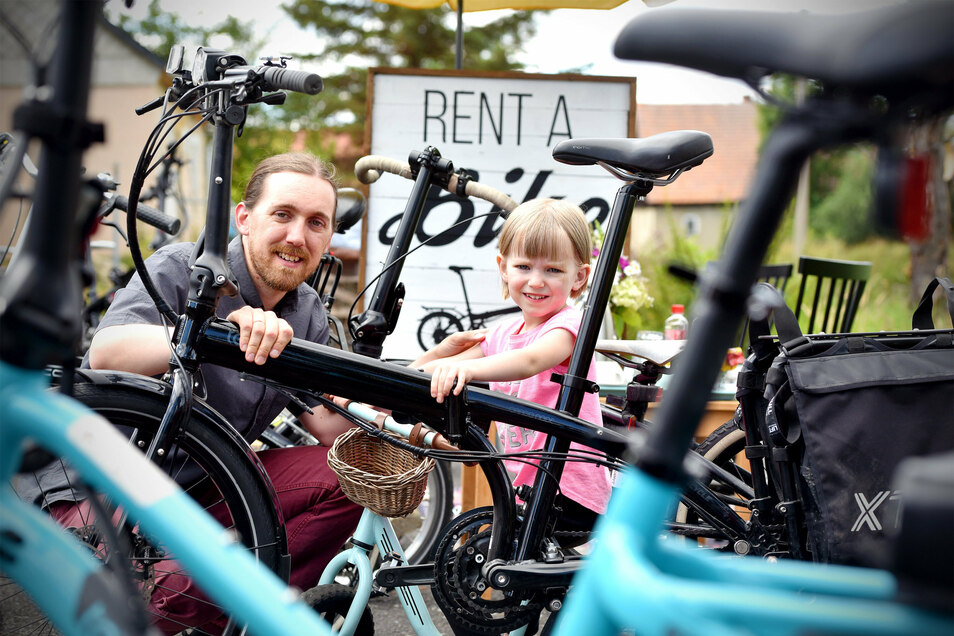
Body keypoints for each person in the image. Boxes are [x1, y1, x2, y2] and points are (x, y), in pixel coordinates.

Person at [83, 152, 362, 632]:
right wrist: (212, 331)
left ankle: (241, 592)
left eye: (317, 222)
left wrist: (412, 398)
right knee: (168, 589)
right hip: (106, 486)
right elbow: (106, 354)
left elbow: (328, 424)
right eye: (283, 214)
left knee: (346, 474)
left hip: (203, 486)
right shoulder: (181, 266)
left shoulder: (308, 311)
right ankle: (207, 587)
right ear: (244, 218)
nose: (298, 236)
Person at [412, 198, 613, 534]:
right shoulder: (503, 333)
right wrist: (440, 353)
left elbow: (530, 361)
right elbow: (423, 373)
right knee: (504, 560)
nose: (536, 281)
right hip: (527, 486)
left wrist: (470, 370)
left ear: (579, 277)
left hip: (569, 486)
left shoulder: (569, 327)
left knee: (498, 554)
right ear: (503, 267)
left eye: (552, 270)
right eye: (524, 267)